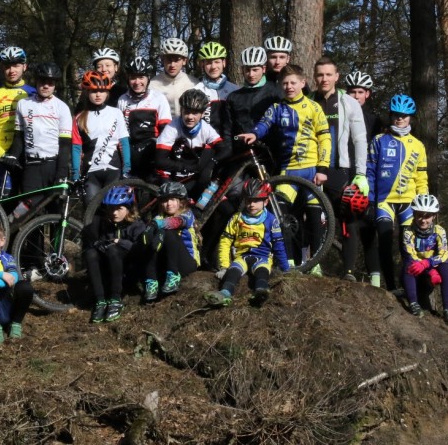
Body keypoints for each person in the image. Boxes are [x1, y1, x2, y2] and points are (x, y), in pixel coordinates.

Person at [236, 65, 331, 268]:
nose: (289, 87)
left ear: (303, 83)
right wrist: (254, 134)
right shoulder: (277, 108)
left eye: (293, 83)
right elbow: (264, 124)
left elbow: (325, 139)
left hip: (312, 171)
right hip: (288, 171)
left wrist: (323, 169)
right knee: (282, 216)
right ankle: (286, 262)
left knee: (315, 217)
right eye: (285, 83)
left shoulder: (314, 108)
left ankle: (315, 265)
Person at [311, 57, 368, 281]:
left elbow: (360, 139)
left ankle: (349, 271)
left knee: (347, 219)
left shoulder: (348, 102)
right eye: (320, 75)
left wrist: (361, 174)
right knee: (314, 216)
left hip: (340, 168)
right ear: (315, 77)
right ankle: (314, 266)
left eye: (328, 74)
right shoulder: (308, 100)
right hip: (313, 167)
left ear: (336, 77)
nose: (324, 79)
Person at [367, 94, 429, 292]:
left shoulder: (418, 145)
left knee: (408, 247)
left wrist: (423, 202)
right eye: (395, 115)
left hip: (409, 202)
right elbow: (370, 170)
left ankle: (410, 288)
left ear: (410, 117)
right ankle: (390, 286)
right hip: (384, 200)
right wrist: (370, 198)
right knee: (384, 242)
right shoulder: (379, 140)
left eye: (403, 115)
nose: (399, 119)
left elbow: (421, 178)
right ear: (390, 115)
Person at [205, 179, 290, 307]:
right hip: (241, 257)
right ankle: (225, 293)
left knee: (262, 271)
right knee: (232, 272)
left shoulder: (272, 220)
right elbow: (225, 241)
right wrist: (223, 266)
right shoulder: (236, 218)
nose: (251, 204)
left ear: (266, 201)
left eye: (256, 200)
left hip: (263, 258)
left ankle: (261, 291)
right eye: (248, 200)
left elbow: (278, 245)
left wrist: (286, 269)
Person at [5, 62, 72, 219]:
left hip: (53, 164)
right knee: (29, 210)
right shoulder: (23, 104)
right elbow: (19, 137)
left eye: (50, 83)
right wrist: (13, 155)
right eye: (43, 81)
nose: (46, 86)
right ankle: (23, 239)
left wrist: (61, 173)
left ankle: (57, 244)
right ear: (36, 81)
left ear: (55, 85)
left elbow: (64, 145)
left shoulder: (62, 107)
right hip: (32, 166)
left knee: (56, 212)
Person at [82, 186, 145, 323]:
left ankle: (116, 299)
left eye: (119, 209)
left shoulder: (137, 225)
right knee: (91, 253)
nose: (114, 213)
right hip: (109, 269)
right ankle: (100, 301)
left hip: (129, 270)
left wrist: (120, 242)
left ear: (128, 208)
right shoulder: (106, 225)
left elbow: (140, 248)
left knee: (113, 249)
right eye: (111, 209)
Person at [345, 69, 383, 286]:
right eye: (352, 92)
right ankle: (347, 270)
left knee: (369, 228)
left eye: (360, 92)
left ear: (367, 94)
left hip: (367, 178)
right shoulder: (341, 115)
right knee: (347, 225)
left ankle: (376, 277)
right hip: (345, 175)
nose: (356, 96)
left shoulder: (374, 120)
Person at [0, 46, 36, 197]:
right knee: (5, 201)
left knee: (29, 201)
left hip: (28, 156)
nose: (12, 70)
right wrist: (1, 154)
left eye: (16, 65)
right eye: (7, 66)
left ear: (24, 66)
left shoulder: (33, 93)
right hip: (3, 155)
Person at [154, 89, 226, 200]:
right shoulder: (172, 128)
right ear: (181, 110)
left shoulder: (206, 129)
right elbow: (160, 161)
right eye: (187, 112)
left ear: (202, 114)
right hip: (170, 175)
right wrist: (186, 168)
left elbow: (224, 149)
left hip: (191, 176)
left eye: (195, 113)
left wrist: (210, 166)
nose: (190, 117)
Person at [71, 70, 130, 203]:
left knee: (113, 213)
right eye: (93, 91)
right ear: (87, 92)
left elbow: (123, 142)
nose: (98, 94)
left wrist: (127, 168)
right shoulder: (79, 117)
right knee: (92, 217)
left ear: (107, 92)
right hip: (90, 173)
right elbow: (76, 148)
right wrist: (75, 175)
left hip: (114, 170)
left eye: (102, 91)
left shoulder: (116, 113)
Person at [401, 194, 448, 326]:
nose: (423, 220)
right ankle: (413, 303)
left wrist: (429, 265)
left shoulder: (439, 231)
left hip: (431, 265)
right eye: (419, 215)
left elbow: (444, 254)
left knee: (445, 267)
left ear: (434, 216)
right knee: (408, 265)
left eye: (427, 216)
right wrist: (423, 265)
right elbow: (410, 254)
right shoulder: (408, 231)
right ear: (414, 214)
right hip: (415, 265)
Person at [141, 182, 200, 302]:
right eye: (165, 200)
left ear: (181, 201)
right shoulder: (158, 217)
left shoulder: (187, 214)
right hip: (166, 262)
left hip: (187, 262)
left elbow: (176, 222)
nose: (169, 204)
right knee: (151, 238)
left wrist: (156, 225)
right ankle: (151, 280)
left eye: (173, 199)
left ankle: (173, 276)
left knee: (167, 231)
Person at [117, 56, 171, 182]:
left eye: (141, 77)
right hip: (130, 152)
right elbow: (119, 131)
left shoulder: (158, 98)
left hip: (152, 151)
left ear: (148, 78)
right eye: (133, 77)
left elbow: (166, 130)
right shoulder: (122, 100)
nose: (137, 82)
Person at [223, 46, 281, 157]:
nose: (251, 74)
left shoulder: (275, 92)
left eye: (255, 70)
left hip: (269, 152)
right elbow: (227, 130)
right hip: (242, 152)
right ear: (242, 70)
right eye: (247, 70)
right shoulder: (233, 97)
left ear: (263, 69)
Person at [193, 41, 238, 135]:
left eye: (217, 62)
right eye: (209, 63)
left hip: (230, 142)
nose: (213, 66)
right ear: (203, 65)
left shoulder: (235, 90)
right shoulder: (196, 91)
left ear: (224, 63)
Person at [150, 37, 197, 117]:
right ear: (162, 60)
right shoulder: (152, 85)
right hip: (163, 127)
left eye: (177, 60)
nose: (172, 65)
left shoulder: (194, 83)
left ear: (184, 61)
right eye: (169, 60)